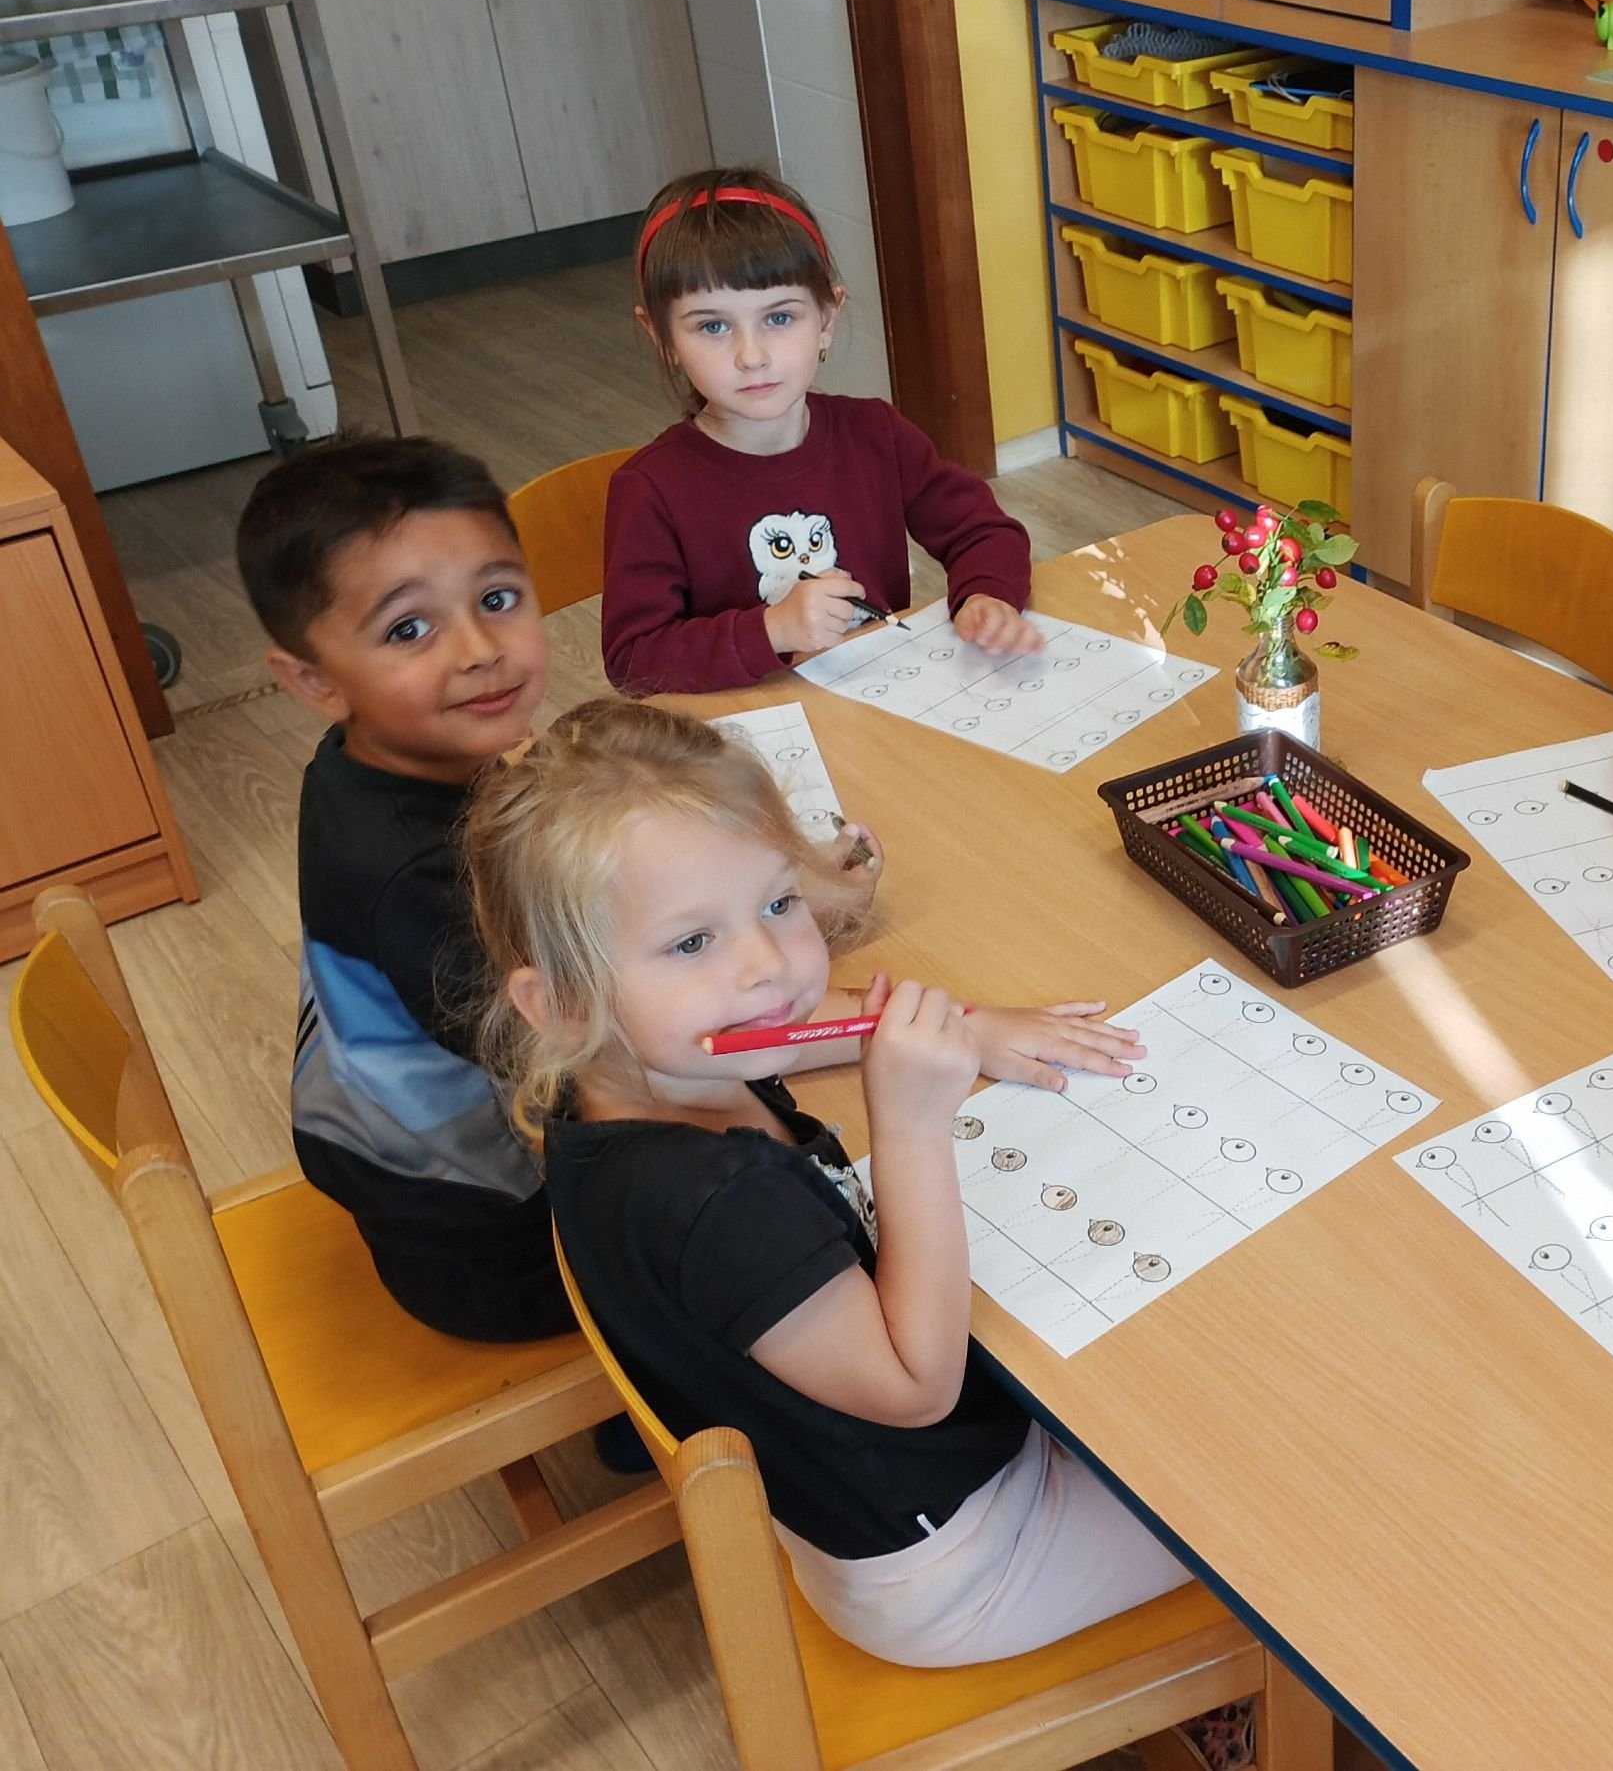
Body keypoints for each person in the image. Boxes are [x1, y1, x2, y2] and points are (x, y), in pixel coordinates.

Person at [466, 699, 1200, 1668]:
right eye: (692, 942)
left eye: (778, 903)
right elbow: (914, 1385)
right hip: (963, 1562)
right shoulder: (713, 1202)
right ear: (560, 1001)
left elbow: (798, 1023)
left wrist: (970, 1027)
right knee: (1275, 1488)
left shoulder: (642, 1073)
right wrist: (910, 1126)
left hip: (894, 1492)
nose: (769, 967)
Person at [240, 435, 572, 1340]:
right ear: (314, 682)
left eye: (497, 599)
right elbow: (581, 1058)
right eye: (408, 629)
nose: (480, 651)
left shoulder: (376, 764)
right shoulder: (409, 872)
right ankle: (650, 1401)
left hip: (438, 1181)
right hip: (500, 1247)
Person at [602, 168, 1046, 694]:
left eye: (779, 318)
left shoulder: (877, 434)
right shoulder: (651, 489)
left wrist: (985, 596)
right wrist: (771, 629)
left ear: (827, 319)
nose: (751, 356)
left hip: (883, 700)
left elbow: (984, 531)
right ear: (663, 338)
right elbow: (633, 660)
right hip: (742, 732)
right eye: (712, 326)